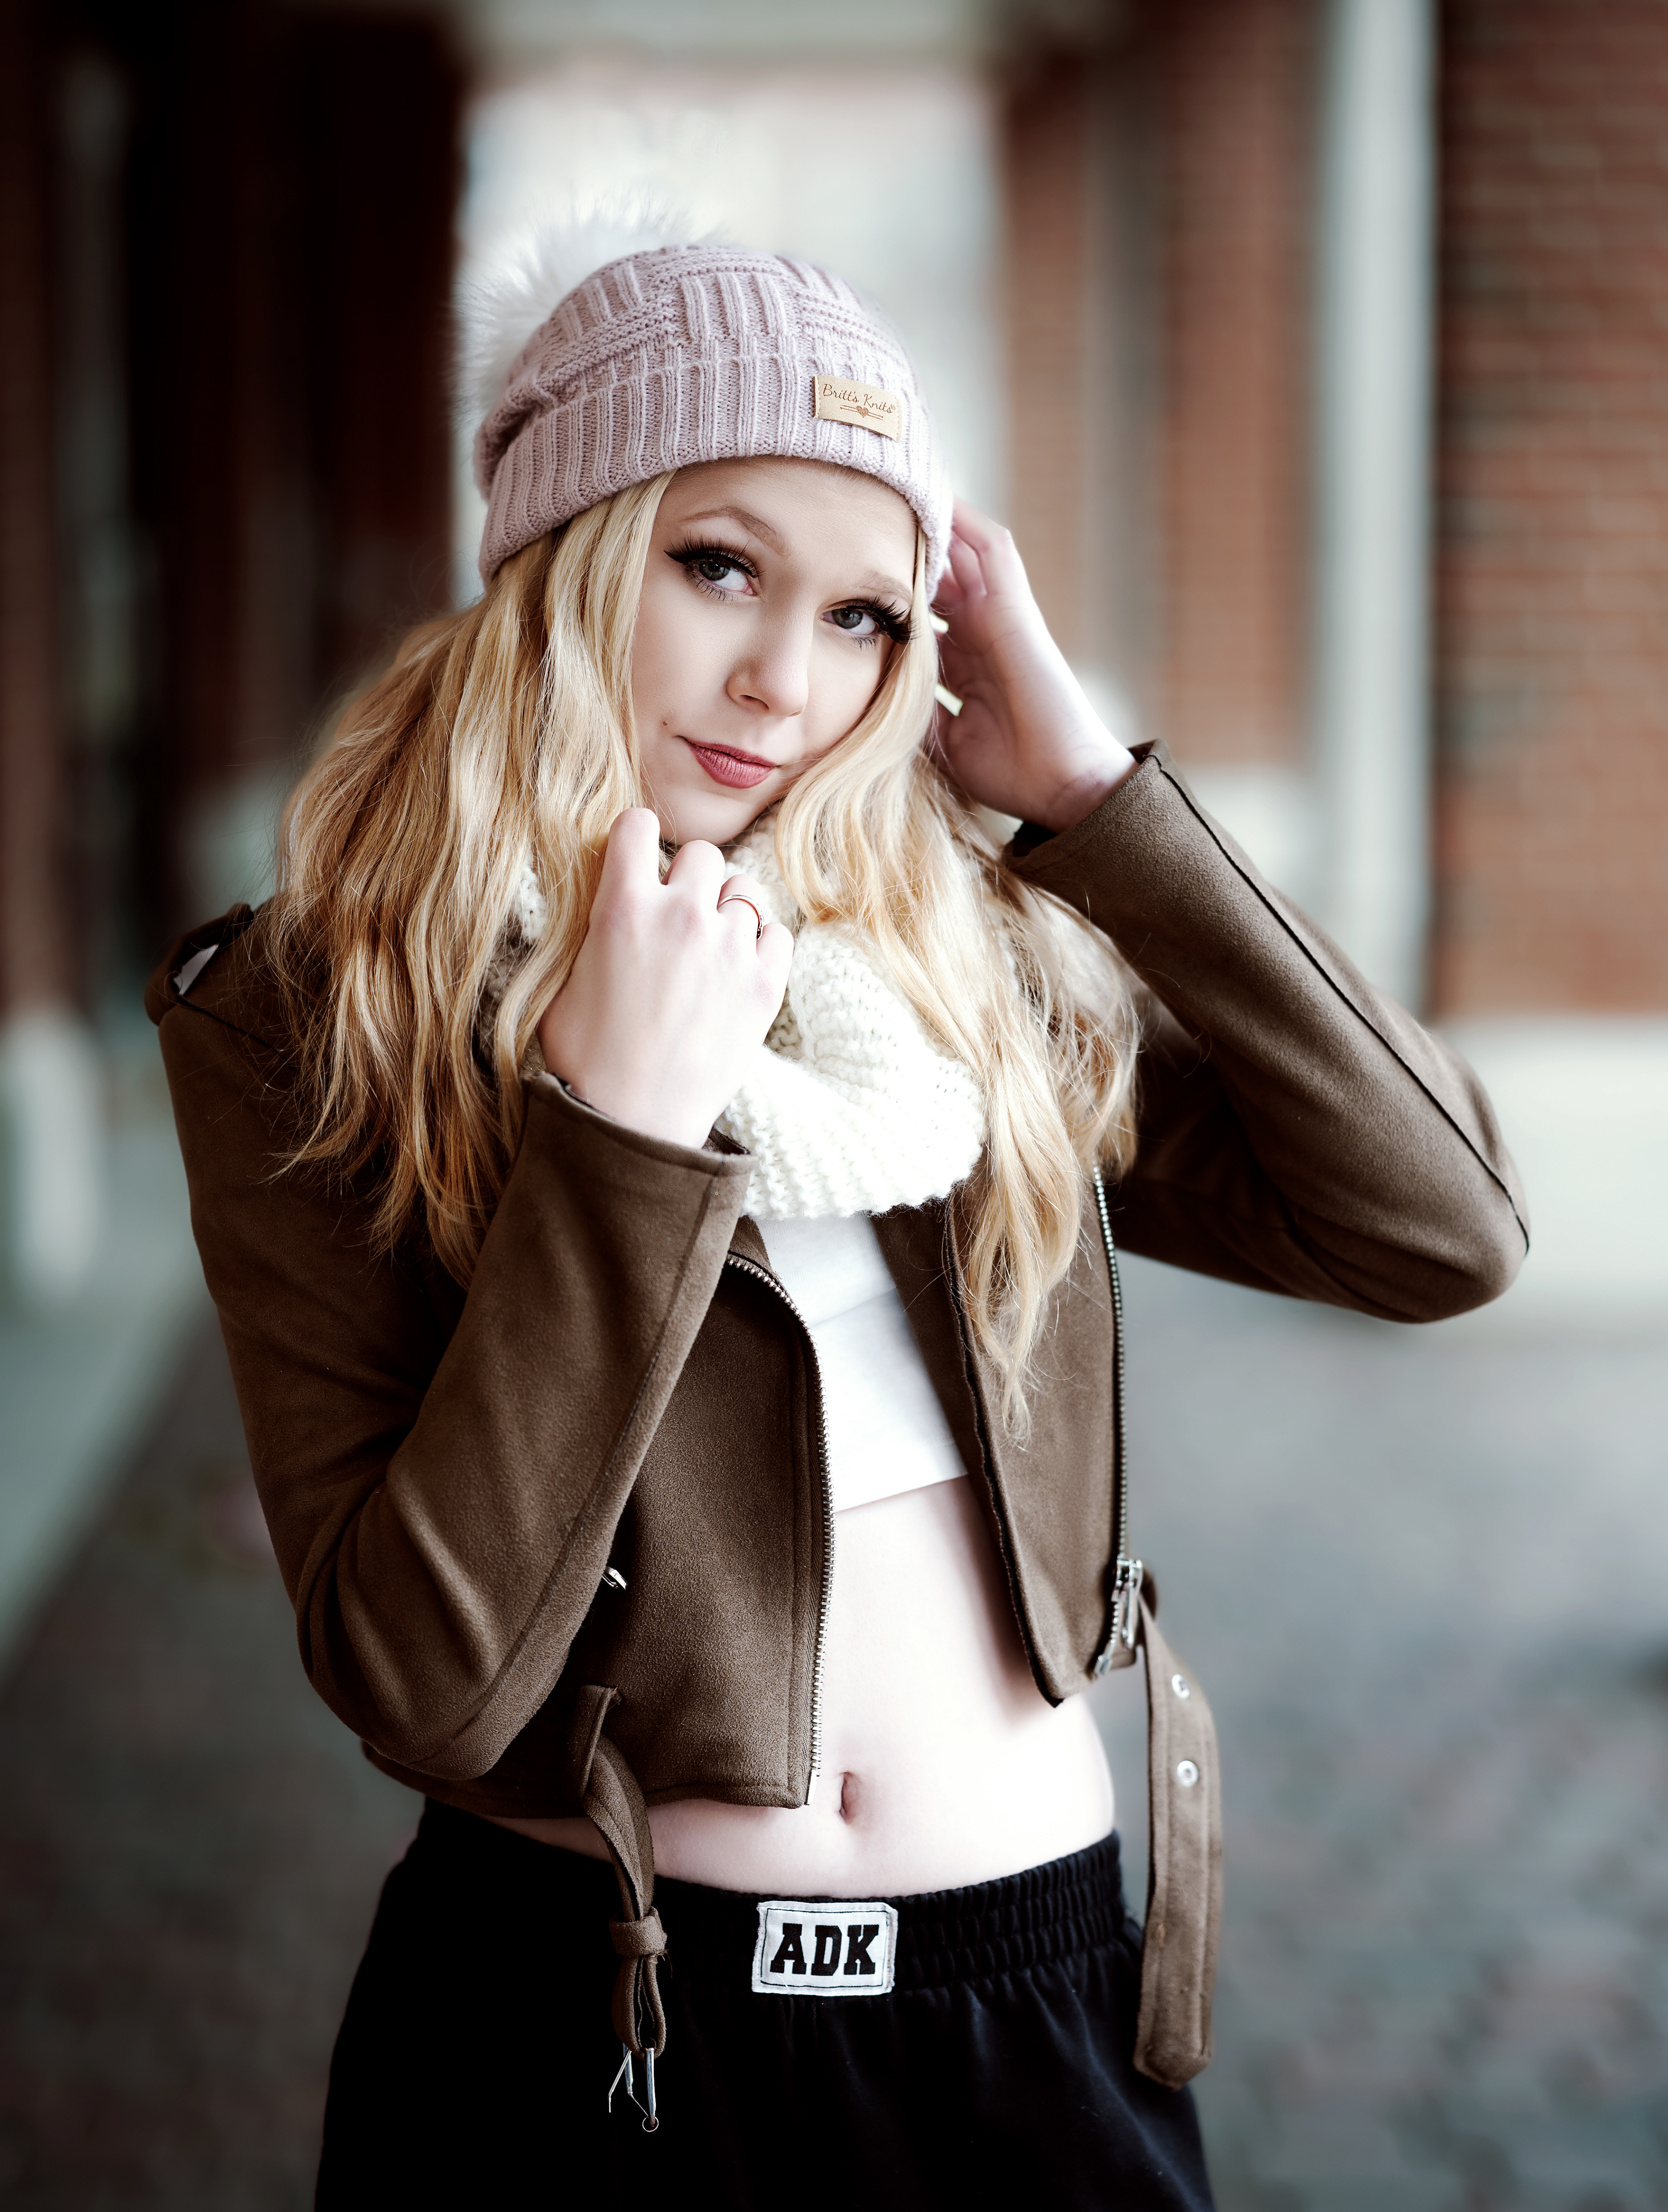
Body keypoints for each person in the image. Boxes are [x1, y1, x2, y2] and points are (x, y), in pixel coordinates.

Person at [150, 243, 1527, 2209]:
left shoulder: (963, 978)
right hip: (585, 2035)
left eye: (864, 614)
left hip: (1029, 2004)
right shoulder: (307, 1009)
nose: (784, 682)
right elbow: (422, 1675)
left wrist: (1089, 795)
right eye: (717, 563)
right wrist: (614, 1134)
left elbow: (1442, 1230)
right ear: (567, 551)